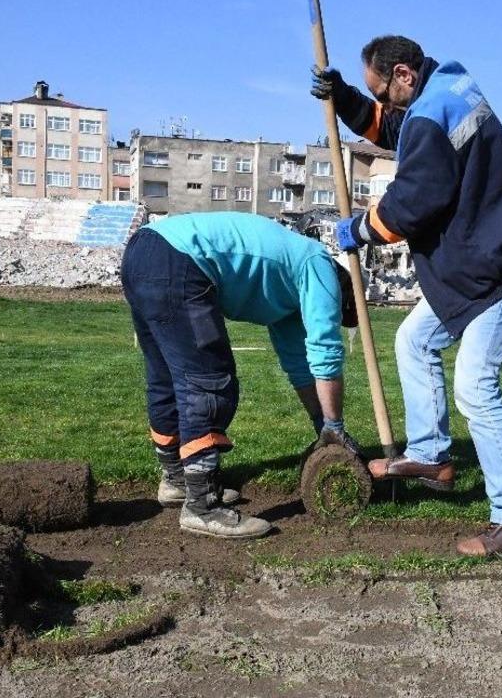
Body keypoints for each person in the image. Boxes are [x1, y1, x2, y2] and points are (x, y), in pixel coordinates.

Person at [312, 35, 502, 557]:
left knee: (475, 387)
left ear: (403, 74)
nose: (384, 102)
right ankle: (431, 454)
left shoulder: (428, 114)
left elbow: (413, 203)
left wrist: (358, 230)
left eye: (382, 90)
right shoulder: (446, 89)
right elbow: (395, 127)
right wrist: (347, 98)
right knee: (414, 340)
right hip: (484, 260)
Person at [121, 211, 361, 539]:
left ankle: (177, 480)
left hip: (144, 252)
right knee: (208, 380)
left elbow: (301, 367)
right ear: (344, 293)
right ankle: (202, 506)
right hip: (178, 260)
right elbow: (325, 351)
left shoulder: (289, 289)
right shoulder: (319, 266)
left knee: (166, 380)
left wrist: (323, 426)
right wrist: (335, 427)